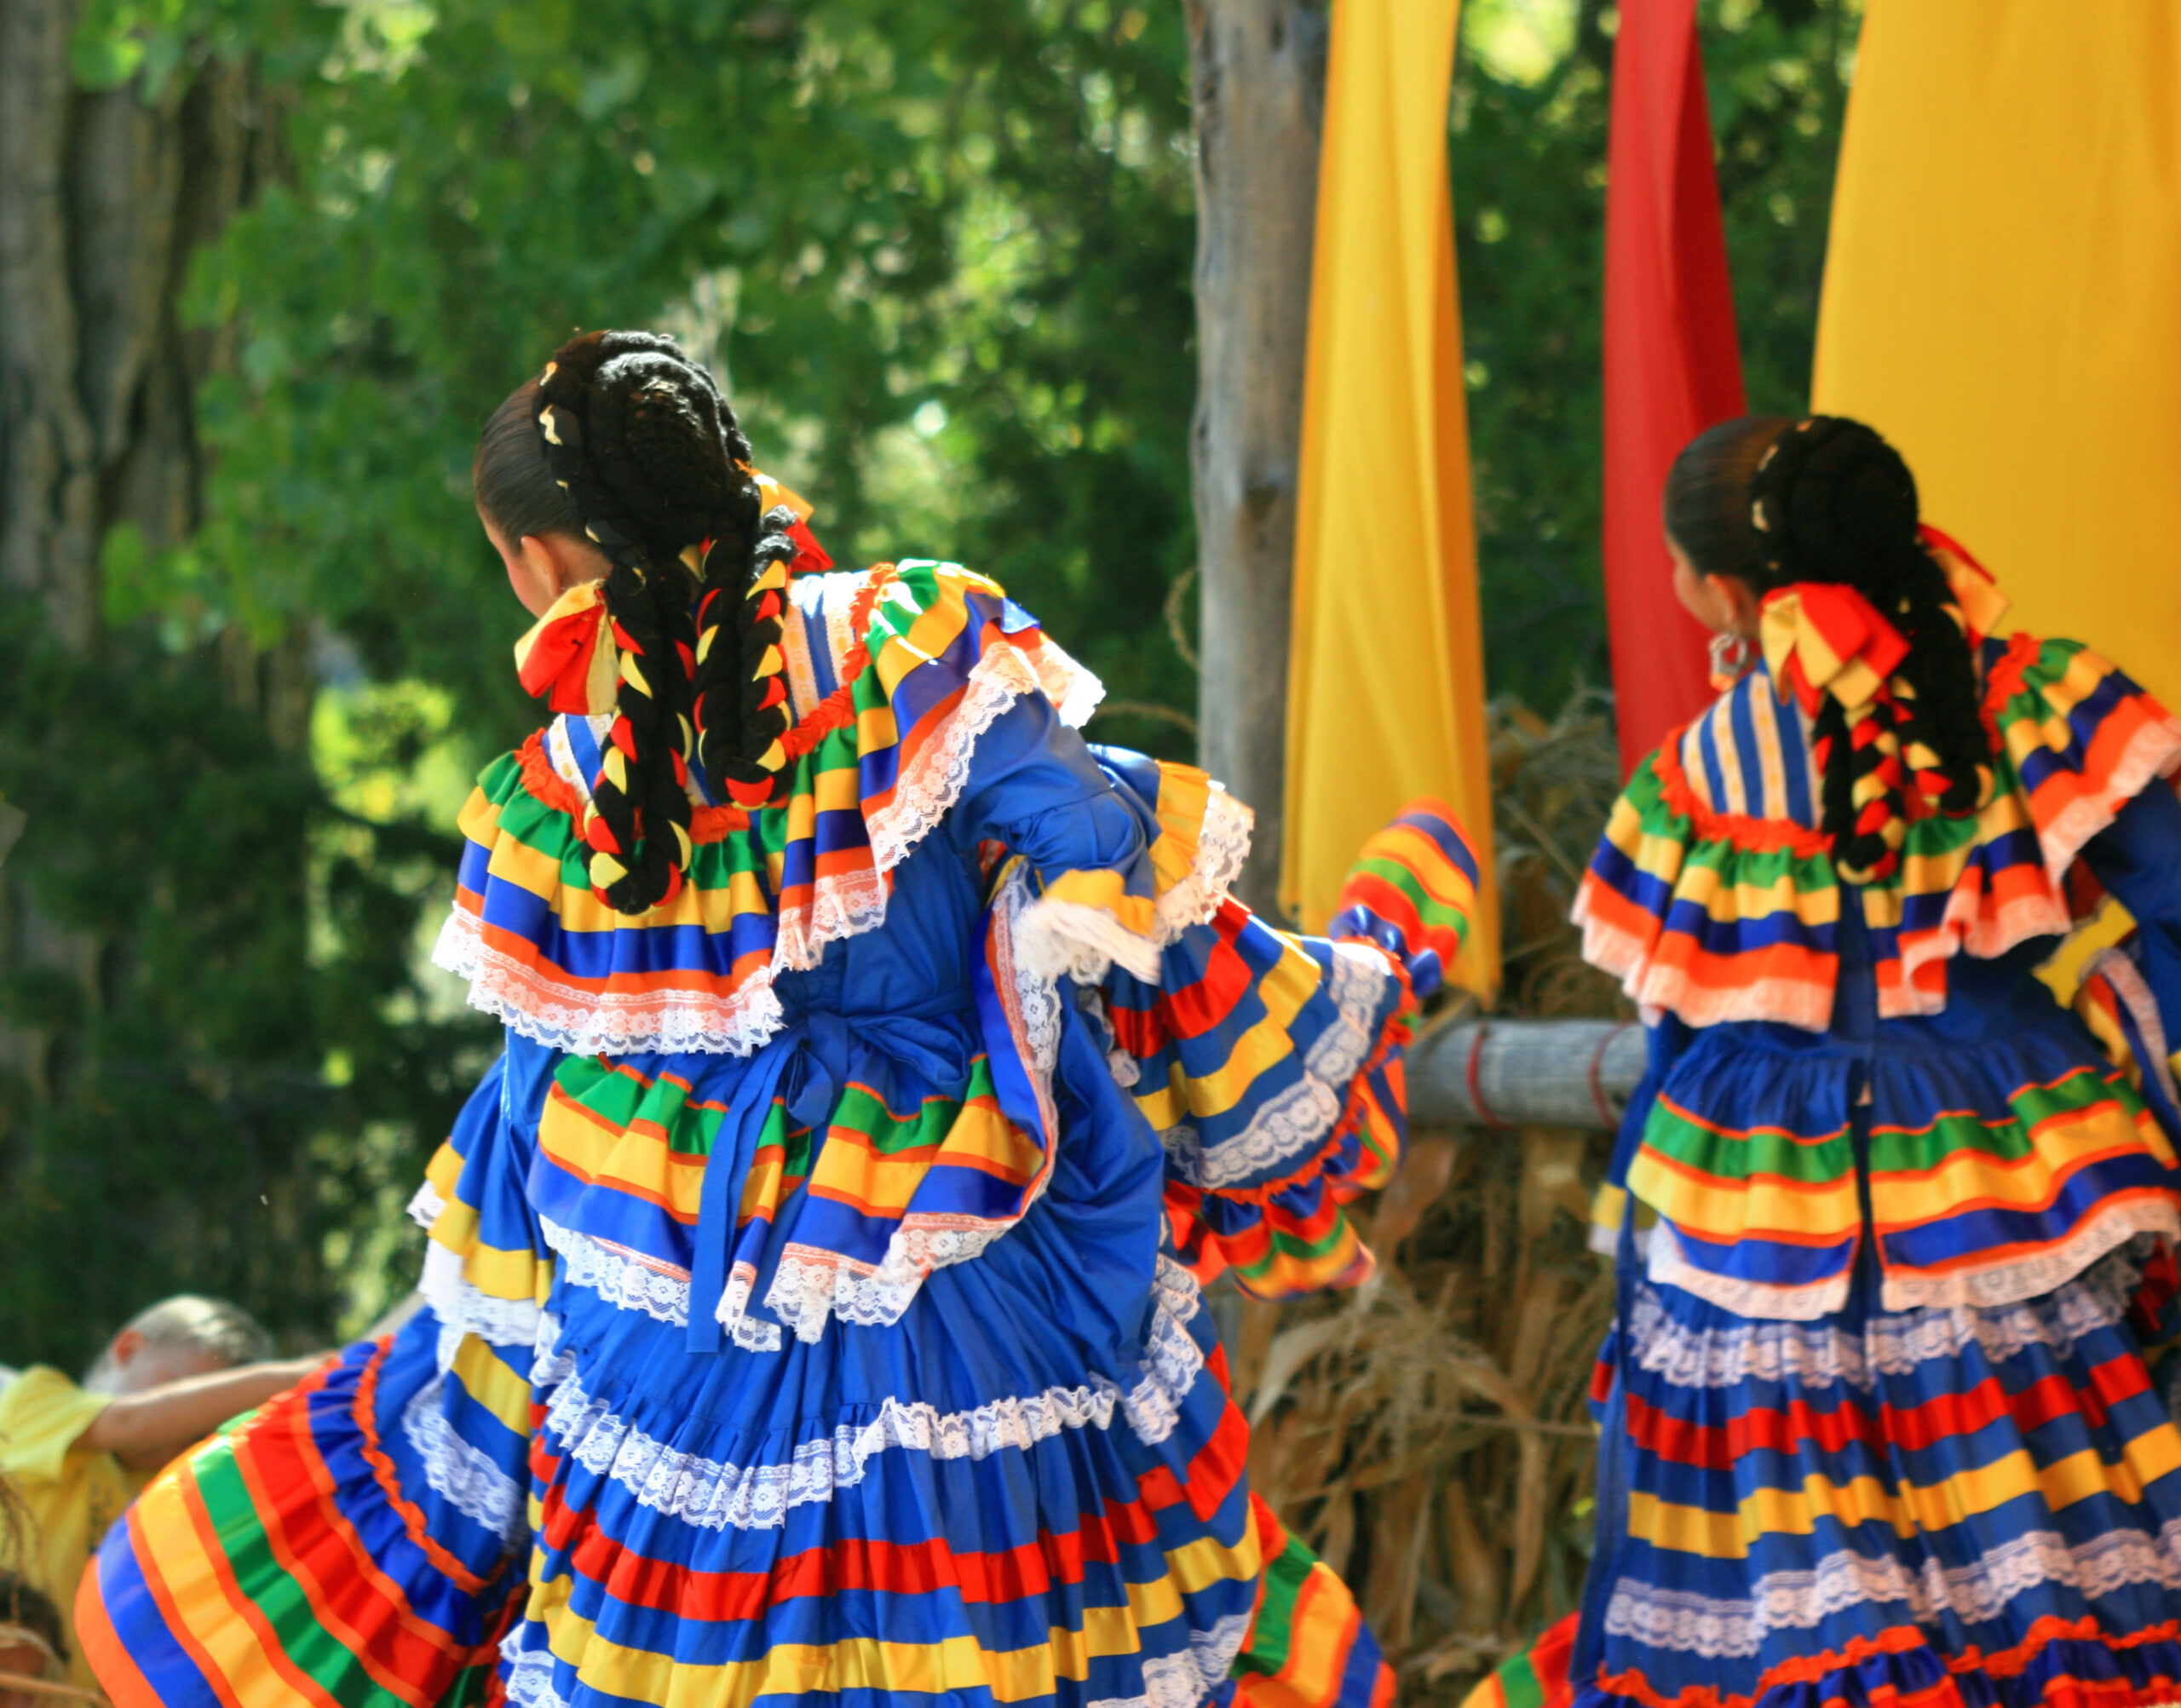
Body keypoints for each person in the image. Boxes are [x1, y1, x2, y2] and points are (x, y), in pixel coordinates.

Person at [77, 330, 1481, 1707]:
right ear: (734, 472)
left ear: (535, 562)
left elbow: (525, 1151)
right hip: (971, 1291)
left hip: (681, 1364)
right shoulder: (917, 644)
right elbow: (1117, 869)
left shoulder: (553, 801)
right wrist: (1030, 947)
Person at [1474, 414, 2181, 1708]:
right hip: (1999, 1165)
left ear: (1724, 592)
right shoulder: (2029, 696)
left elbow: (1681, 1028)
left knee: (1795, 1585)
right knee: (2062, 1552)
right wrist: (2140, 1041)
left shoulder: (1696, 778)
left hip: (1749, 1202)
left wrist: (1645, 1230)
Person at [0, 1297, 317, 1698]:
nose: (187, 1431)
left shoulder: (172, 1498)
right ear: (128, 1349)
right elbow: (134, 1422)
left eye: (208, 1425)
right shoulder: (40, 1401)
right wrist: (312, 1373)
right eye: (190, 1394)